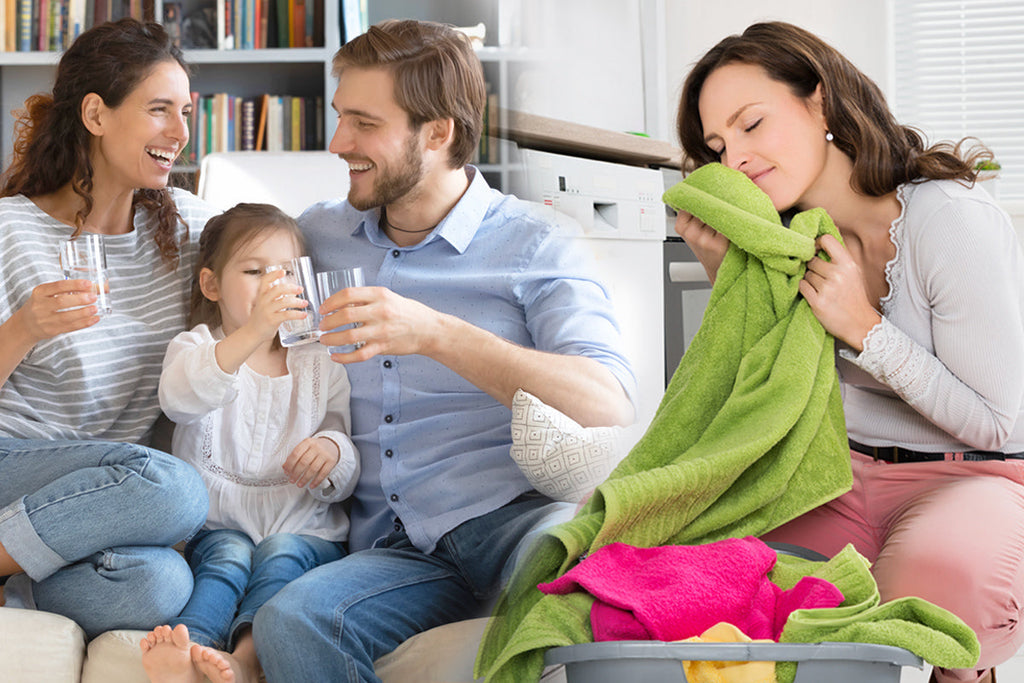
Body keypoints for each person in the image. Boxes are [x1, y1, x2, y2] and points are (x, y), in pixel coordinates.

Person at [250, 19, 637, 683]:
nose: (339, 143)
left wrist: (437, 332)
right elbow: (226, 264)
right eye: (340, 117)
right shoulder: (317, 234)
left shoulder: (537, 243)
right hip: (398, 550)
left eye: (364, 123)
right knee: (291, 619)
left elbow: (607, 402)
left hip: (518, 520)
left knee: (578, 580)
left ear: (439, 133)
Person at [675, 21, 1024, 683]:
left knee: (931, 596)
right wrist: (728, 282)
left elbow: (996, 421)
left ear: (822, 103)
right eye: (718, 146)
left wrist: (865, 329)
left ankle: (966, 671)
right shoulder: (779, 240)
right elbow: (759, 401)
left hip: (969, 475)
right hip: (834, 477)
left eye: (752, 124)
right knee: (698, 576)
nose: (735, 158)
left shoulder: (946, 217)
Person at [0, 18, 218, 638]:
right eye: (158, 110)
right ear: (96, 114)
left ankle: (18, 574)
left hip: (104, 502)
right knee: (174, 488)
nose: (179, 133)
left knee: (159, 585)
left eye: (185, 112)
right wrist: (22, 327)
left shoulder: (190, 232)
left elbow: (280, 251)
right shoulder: (8, 231)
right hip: (13, 461)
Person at [140, 203, 360, 683]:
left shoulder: (321, 361)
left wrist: (332, 453)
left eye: (286, 273)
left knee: (279, 553)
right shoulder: (195, 348)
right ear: (211, 285)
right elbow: (179, 398)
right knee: (228, 557)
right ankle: (192, 649)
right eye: (255, 271)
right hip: (219, 529)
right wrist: (256, 330)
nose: (274, 286)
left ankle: (247, 659)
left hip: (306, 534)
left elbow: (344, 448)